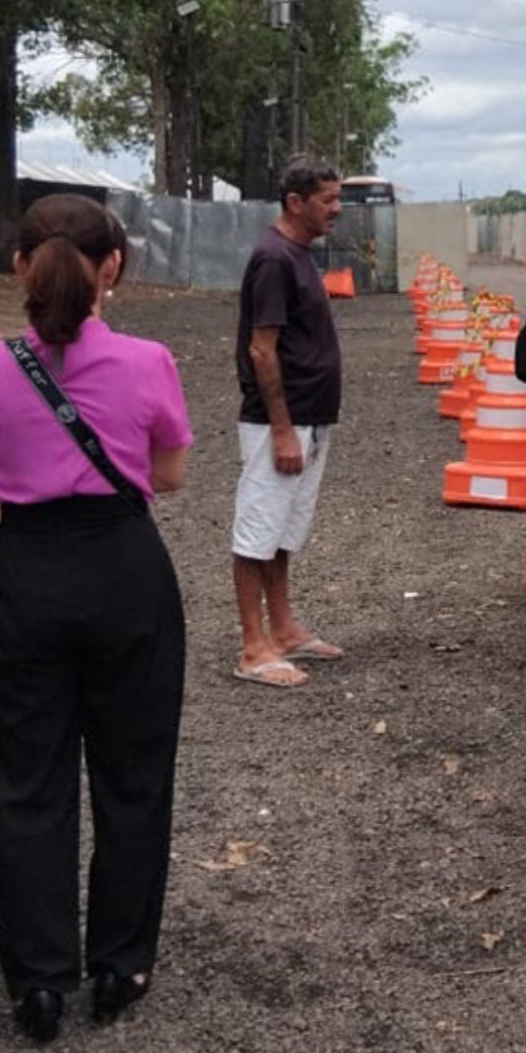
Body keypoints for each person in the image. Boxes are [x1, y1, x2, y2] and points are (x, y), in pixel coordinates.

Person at [0, 195, 191, 1045]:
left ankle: (39, 977)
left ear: (21, 266)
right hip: (123, 571)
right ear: (113, 268)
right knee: (134, 774)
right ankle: (121, 962)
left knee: (28, 781)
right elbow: (166, 476)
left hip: (26, 572)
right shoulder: (148, 361)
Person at [231, 155, 347, 688]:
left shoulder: (298, 255)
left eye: (337, 198)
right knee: (258, 530)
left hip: (310, 418)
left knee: (283, 531)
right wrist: (280, 428)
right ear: (295, 202)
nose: (337, 210)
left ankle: (282, 628)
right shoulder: (275, 259)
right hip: (282, 420)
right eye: (327, 200)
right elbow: (262, 349)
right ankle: (253, 647)